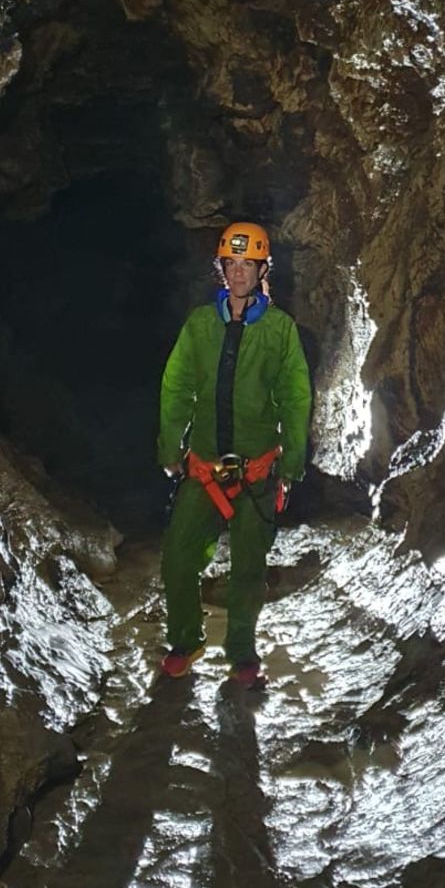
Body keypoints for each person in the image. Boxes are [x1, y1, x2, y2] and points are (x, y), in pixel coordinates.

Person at [157, 220, 312, 688]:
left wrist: (293, 459)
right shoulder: (201, 325)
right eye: (231, 263)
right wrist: (171, 446)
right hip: (203, 467)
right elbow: (176, 386)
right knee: (179, 558)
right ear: (220, 268)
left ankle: (242, 651)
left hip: (257, 470)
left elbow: (296, 396)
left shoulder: (280, 331)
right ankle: (185, 640)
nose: (239, 272)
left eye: (248, 264)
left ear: (263, 268)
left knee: (248, 568)